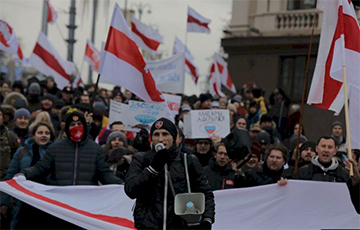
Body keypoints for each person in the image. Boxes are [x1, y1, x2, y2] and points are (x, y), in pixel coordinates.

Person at [125, 117, 215, 229]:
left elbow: (205, 193)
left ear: (173, 138)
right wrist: (153, 168)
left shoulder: (188, 160)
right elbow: (131, 190)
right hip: (148, 226)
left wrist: (207, 219)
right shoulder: (141, 159)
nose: (161, 139)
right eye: (156, 134)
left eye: (165, 134)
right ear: (151, 138)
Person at [2, 122, 54, 229]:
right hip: (23, 202)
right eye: (40, 132)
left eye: (47, 133)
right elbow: (10, 175)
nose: (44, 135)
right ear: (34, 135)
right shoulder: (22, 151)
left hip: (45, 201)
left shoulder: (54, 152)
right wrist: (4, 202)